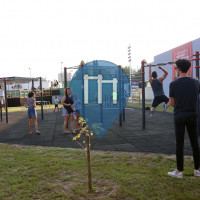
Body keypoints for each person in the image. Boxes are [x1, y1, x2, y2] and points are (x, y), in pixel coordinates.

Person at [167, 59, 200, 178]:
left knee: (179, 144)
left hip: (180, 116)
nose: (175, 70)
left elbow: (171, 102)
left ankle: (179, 171)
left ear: (179, 69)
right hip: (193, 115)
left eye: (176, 68)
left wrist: (180, 105)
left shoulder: (173, 84)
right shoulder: (196, 82)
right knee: (195, 143)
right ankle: (197, 170)